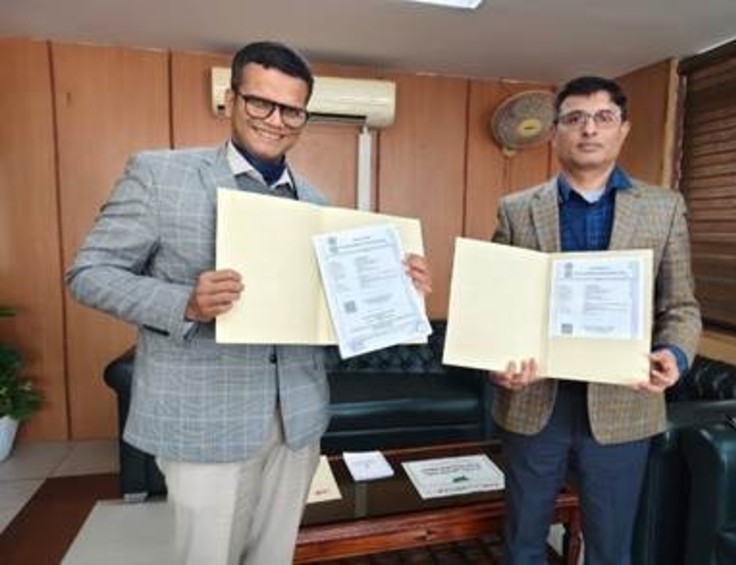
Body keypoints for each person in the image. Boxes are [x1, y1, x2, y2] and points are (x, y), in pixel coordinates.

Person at [66, 41, 432, 565]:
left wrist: (398, 288)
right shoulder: (159, 175)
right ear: (231, 100)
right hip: (206, 420)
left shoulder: (316, 202)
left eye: (292, 110)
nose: (275, 120)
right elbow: (88, 274)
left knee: (273, 556)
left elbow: (328, 313)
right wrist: (184, 303)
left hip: (297, 420)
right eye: (261, 102)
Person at [489, 76, 701, 565]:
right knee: (522, 544)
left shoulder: (664, 208)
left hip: (623, 404)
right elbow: (499, 302)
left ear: (622, 130)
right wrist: (496, 360)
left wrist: (674, 354)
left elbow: (682, 306)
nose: (589, 129)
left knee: (610, 549)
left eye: (603, 118)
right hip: (534, 402)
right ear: (554, 133)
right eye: (575, 119)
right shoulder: (517, 210)